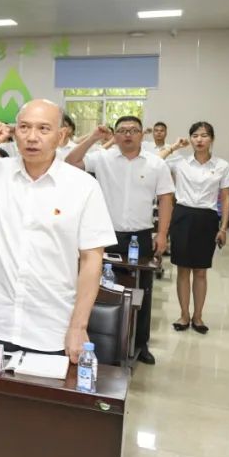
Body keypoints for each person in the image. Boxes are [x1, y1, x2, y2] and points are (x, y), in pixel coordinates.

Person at [0, 100, 117, 361]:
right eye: (24, 127)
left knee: (42, 389)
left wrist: (78, 326)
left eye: (43, 129)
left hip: (49, 325)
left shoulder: (83, 186)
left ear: (61, 136)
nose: (32, 137)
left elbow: (92, 259)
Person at [65, 116, 175, 364]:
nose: (128, 134)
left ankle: (141, 344)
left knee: (142, 291)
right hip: (105, 235)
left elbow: (166, 199)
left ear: (142, 135)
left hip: (141, 236)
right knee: (98, 289)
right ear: (115, 135)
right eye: (122, 130)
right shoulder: (102, 158)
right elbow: (71, 162)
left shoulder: (156, 164)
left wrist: (162, 234)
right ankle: (95, 339)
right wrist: (93, 138)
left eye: (133, 130)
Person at [165, 122, 229, 334]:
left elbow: (226, 198)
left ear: (211, 139)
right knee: (182, 270)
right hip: (182, 216)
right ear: (190, 139)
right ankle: (184, 315)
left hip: (207, 218)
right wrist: (175, 147)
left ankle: (198, 316)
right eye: (195, 135)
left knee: (201, 271)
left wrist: (223, 228)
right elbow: (156, 160)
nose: (199, 139)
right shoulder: (180, 162)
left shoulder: (222, 165)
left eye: (204, 135)